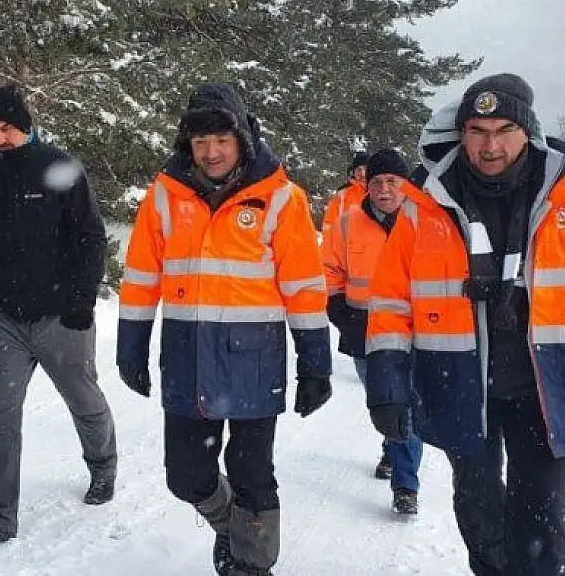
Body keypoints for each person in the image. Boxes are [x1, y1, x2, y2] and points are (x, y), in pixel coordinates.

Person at [364, 73, 565, 575]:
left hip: (546, 385)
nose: (490, 145)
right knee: (478, 511)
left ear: (528, 131)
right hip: (459, 382)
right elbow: (392, 301)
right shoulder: (426, 203)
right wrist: (387, 382)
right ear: (462, 134)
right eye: (477, 131)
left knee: (540, 519)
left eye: (503, 130)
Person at [117, 83, 333, 576]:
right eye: (200, 143)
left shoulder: (280, 197)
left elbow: (303, 286)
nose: (211, 153)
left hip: (253, 359)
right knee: (186, 475)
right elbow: (141, 277)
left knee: (252, 471)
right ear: (186, 146)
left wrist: (315, 363)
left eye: (221, 140)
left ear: (241, 138)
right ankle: (231, 526)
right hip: (187, 357)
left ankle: (252, 562)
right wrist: (131, 347)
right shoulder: (165, 196)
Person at [0, 85, 117, 548]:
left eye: (5, 128)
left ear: (23, 124)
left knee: (82, 397)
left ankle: (103, 466)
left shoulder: (58, 167)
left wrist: (82, 300)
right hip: (4, 317)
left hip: (60, 314)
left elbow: (90, 236)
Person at [323, 148, 423, 515]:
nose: (384, 189)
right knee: (382, 400)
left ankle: (406, 485)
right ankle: (390, 443)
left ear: (405, 185)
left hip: (411, 330)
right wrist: (337, 307)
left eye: (392, 182)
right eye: (377, 182)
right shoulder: (348, 222)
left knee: (408, 405)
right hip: (362, 329)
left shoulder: (424, 221)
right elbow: (329, 269)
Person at [320, 149, 369, 236]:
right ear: (353, 172)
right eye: (359, 170)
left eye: (366, 169)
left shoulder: (381, 194)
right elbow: (328, 226)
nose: (363, 174)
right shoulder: (341, 196)